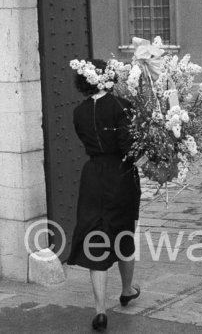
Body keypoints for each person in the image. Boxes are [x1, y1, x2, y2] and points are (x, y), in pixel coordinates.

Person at [67, 59, 141, 331]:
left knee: (96, 236)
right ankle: (126, 289)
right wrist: (151, 161)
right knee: (123, 232)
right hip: (120, 175)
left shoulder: (78, 112)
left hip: (93, 176)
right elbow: (128, 148)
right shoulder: (123, 106)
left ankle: (100, 310)